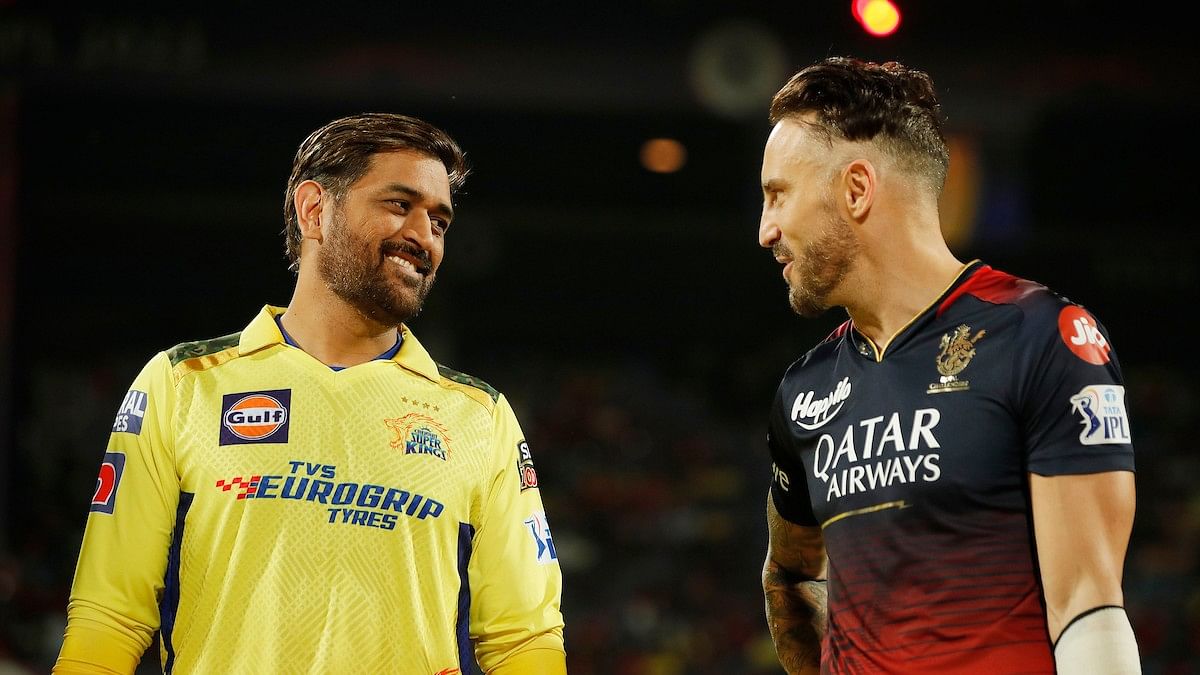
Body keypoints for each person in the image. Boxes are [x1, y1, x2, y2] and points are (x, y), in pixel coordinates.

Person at [54, 113, 566, 674]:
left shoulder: (479, 416)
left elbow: (523, 640)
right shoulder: (182, 385)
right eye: (400, 205)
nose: (424, 236)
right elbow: (110, 617)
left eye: (439, 221)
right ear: (314, 209)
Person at [757, 57, 1139, 674]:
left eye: (778, 196)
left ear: (856, 190)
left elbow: (1088, 608)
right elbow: (791, 574)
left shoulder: (1039, 336)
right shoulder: (804, 391)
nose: (765, 230)